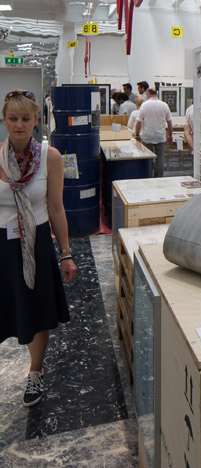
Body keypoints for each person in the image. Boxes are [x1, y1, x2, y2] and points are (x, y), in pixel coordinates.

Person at [0, 89, 77, 407]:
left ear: (36, 120)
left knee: (37, 309)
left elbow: (57, 208)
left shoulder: (50, 157)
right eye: (12, 118)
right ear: (4, 120)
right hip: (3, 243)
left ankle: (35, 370)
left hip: (38, 243)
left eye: (25, 119)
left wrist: (67, 254)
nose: (19, 125)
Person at [134, 88, 173, 178]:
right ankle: (158, 178)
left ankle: (148, 176)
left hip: (147, 136)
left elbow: (138, 122)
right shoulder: (164, 105)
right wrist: (170, 135)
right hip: (160, 136)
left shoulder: (144, 105)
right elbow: (170, 122)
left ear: (148, 94)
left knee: (148, 158)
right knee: (160, 159)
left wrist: (137, 134)